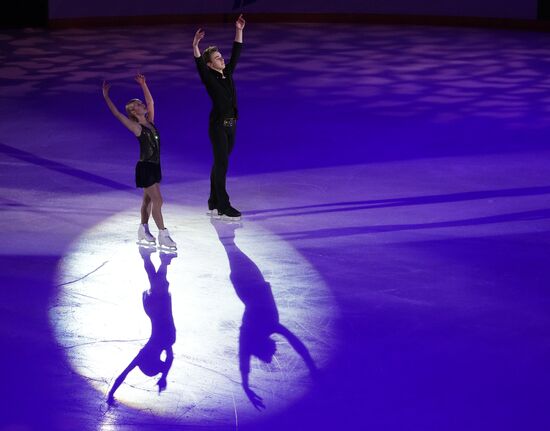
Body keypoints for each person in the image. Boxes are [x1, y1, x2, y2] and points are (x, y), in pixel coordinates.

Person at [102, 74, 177, 249]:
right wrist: (106, 97)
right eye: (137, 105)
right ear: (134, 112)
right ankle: (163, 234)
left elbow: (151, 103)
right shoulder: (136, 127)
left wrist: (144, 84)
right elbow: (117, 114)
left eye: (140, 103)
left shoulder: (150, 121)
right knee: (158, 201)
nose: (141, 104)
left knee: (148, 201)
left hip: (155, 166)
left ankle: (143, 229)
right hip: (145, 168)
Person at [192, 14, 246, 221]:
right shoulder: (209, 78)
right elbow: (198, 64)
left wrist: (239, 30)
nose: (222, 59)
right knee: (222, 164)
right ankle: (223, 205)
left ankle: (213, 201)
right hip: (217, 127)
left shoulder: (228, 74)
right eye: (217, 58)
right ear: (210, 65)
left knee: (220, 163)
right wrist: (195, 45)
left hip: (232, 126)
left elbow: (237, 53)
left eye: (221, 57)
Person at [107, 247, 177, 405]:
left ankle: (156, 258)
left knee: (159, 282)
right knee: (158, 280)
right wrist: (111, 393)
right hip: (155, 309)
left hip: (158, 308)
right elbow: (124, 374)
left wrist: (164, 376)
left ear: (156, 360)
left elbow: (169, 359)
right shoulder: (144, 356)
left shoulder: (165, 342)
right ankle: (156, 258)